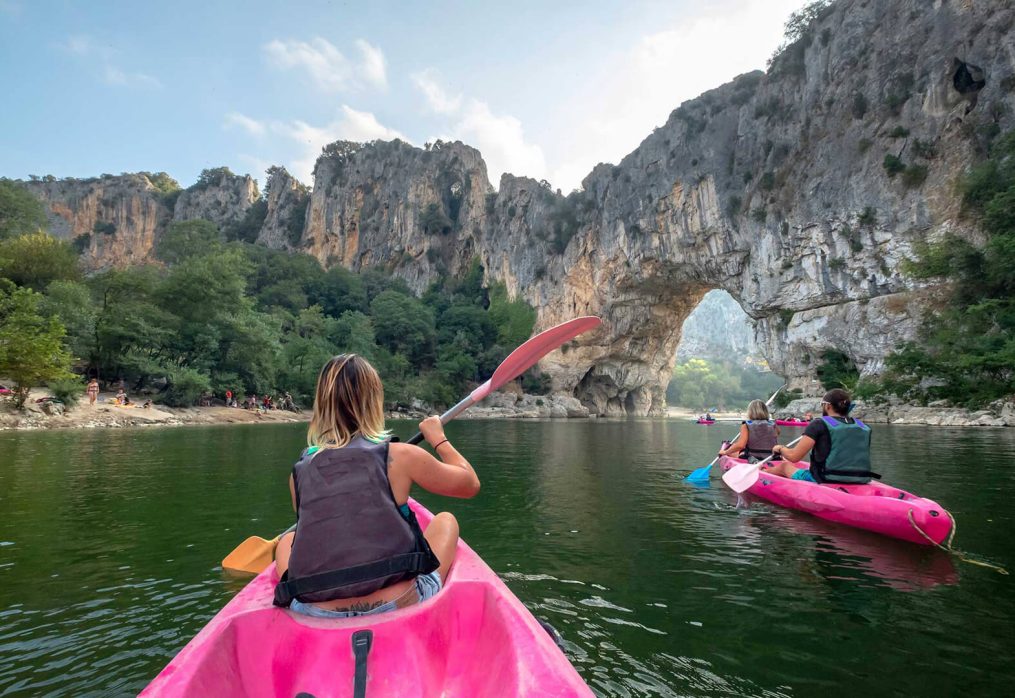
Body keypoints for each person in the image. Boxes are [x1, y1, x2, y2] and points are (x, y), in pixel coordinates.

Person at [273, 354, 479, 618]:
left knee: (287, 540)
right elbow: (469, 483)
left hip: (313, 610)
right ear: (374, 401)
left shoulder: (299, 472)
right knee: (446, 520)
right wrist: (438, 439)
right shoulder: (401, 455)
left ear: (322, 405)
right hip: (398, 602)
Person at [768, 389, 877, 484]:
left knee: (784, 467)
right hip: (861, 478)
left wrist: (780, 449)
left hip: (824, 478)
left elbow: (794, 457)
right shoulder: (863, 426)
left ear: (828, 406)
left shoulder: (818, 424)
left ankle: (763, 471)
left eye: (822, 405)